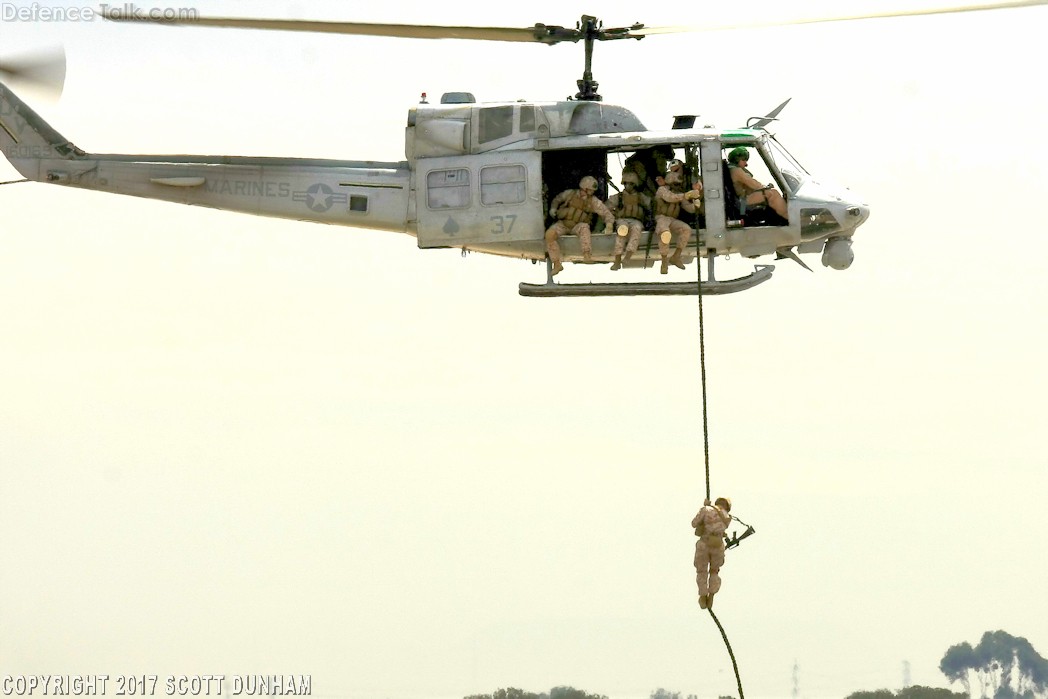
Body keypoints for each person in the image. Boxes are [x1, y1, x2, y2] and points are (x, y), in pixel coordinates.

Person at [545, 176, 615, 276]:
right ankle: (557, 264)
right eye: (590, 190)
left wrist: (609, 223)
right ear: (585, 188)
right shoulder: (570, 194)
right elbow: (557, 199)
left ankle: (587, 255)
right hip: (563, 224)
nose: (592, 193)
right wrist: (553, 208)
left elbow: (606, 212)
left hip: (576, 226)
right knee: (549, 235)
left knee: (584, 228)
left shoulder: (593, 201)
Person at [653, 169, 701, 274]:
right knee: (665, 234)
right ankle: (664, 261)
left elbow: (689, 208)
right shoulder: (662, 190)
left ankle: (676, 256)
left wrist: (696, 201)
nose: (678, 186)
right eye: (675, 184)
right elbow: (670, 198)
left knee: (686, 229)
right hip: (661, 218)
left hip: (672, 219)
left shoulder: (680, 194)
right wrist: (686, 195)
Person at [606, 171, 652, 271]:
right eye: (626, 183)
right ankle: (617, 260)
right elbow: (607, 208)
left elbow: (651, 206)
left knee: (636, 230)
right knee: (622, 231)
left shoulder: (641, 197)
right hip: (622, 220)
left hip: (636, 221)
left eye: (631, 184)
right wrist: (611, 220)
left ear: (635, 185)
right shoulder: (619, 197)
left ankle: (628, 256)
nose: (628, 186)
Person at [692, 496, 732, 610]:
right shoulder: (727, 516)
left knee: (701, 571)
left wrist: (705, 507)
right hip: (718, 546)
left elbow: (694, 523)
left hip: (704, 544)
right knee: (714, 572)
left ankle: (703, 596)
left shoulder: (706, 510)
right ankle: (712, 595)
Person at [727, 147, 788, 220]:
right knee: (773, 193)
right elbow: (753, 184)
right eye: (743, 160)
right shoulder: (737, 171)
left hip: (738, 200)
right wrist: (765, 187)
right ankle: (788, 218)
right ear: (736, 159)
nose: (746, 163)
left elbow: (748, 186)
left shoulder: (731, 169)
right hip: (742, 203)